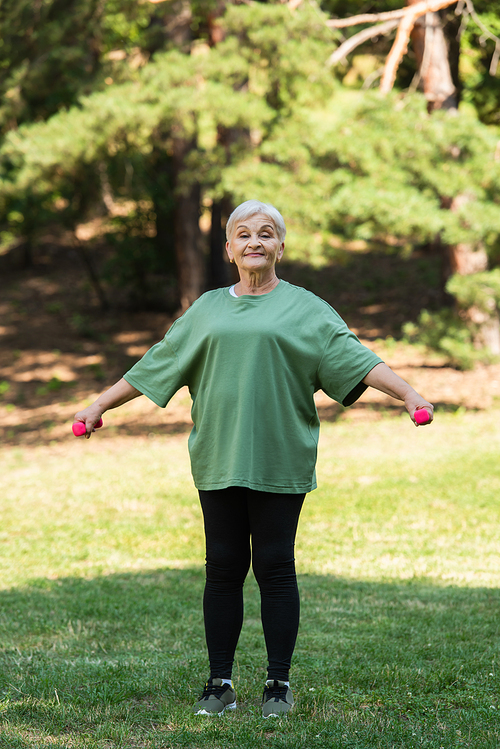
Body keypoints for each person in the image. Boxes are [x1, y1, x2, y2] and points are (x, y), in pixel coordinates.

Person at [74, 200, 434, 719]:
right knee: (221, 568)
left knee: (274, 566)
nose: (255, 243)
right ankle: (220, 683)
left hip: (279, 457)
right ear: (228, 249)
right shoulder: (208, 309)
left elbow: (357, 358)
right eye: (243, 235)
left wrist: (409, 395)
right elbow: (158, 360)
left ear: (281, 247)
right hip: (218, 457)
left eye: (266, 234)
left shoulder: (307, 308)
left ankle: (278, 685)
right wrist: (99, 404)